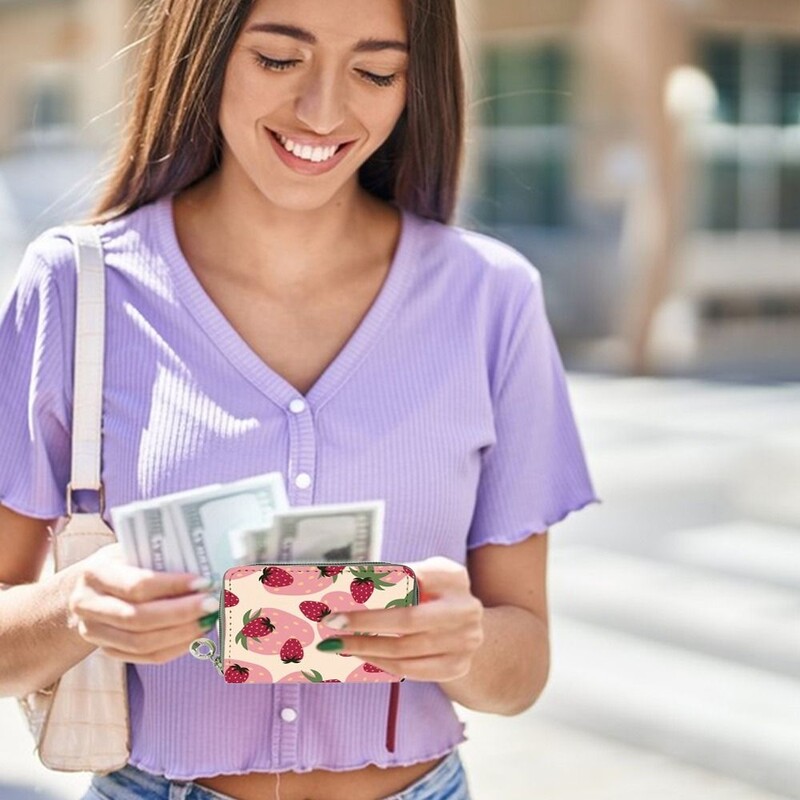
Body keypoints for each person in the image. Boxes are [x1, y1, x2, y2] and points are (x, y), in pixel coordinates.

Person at [0, 0, 599, 798]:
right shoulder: (76, 287)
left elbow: (520, 673)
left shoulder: (493, 299)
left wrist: (467, 643)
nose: (323, 110)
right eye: (279, 60)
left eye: (375, 72)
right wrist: (76, 605)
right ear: (205, 53)